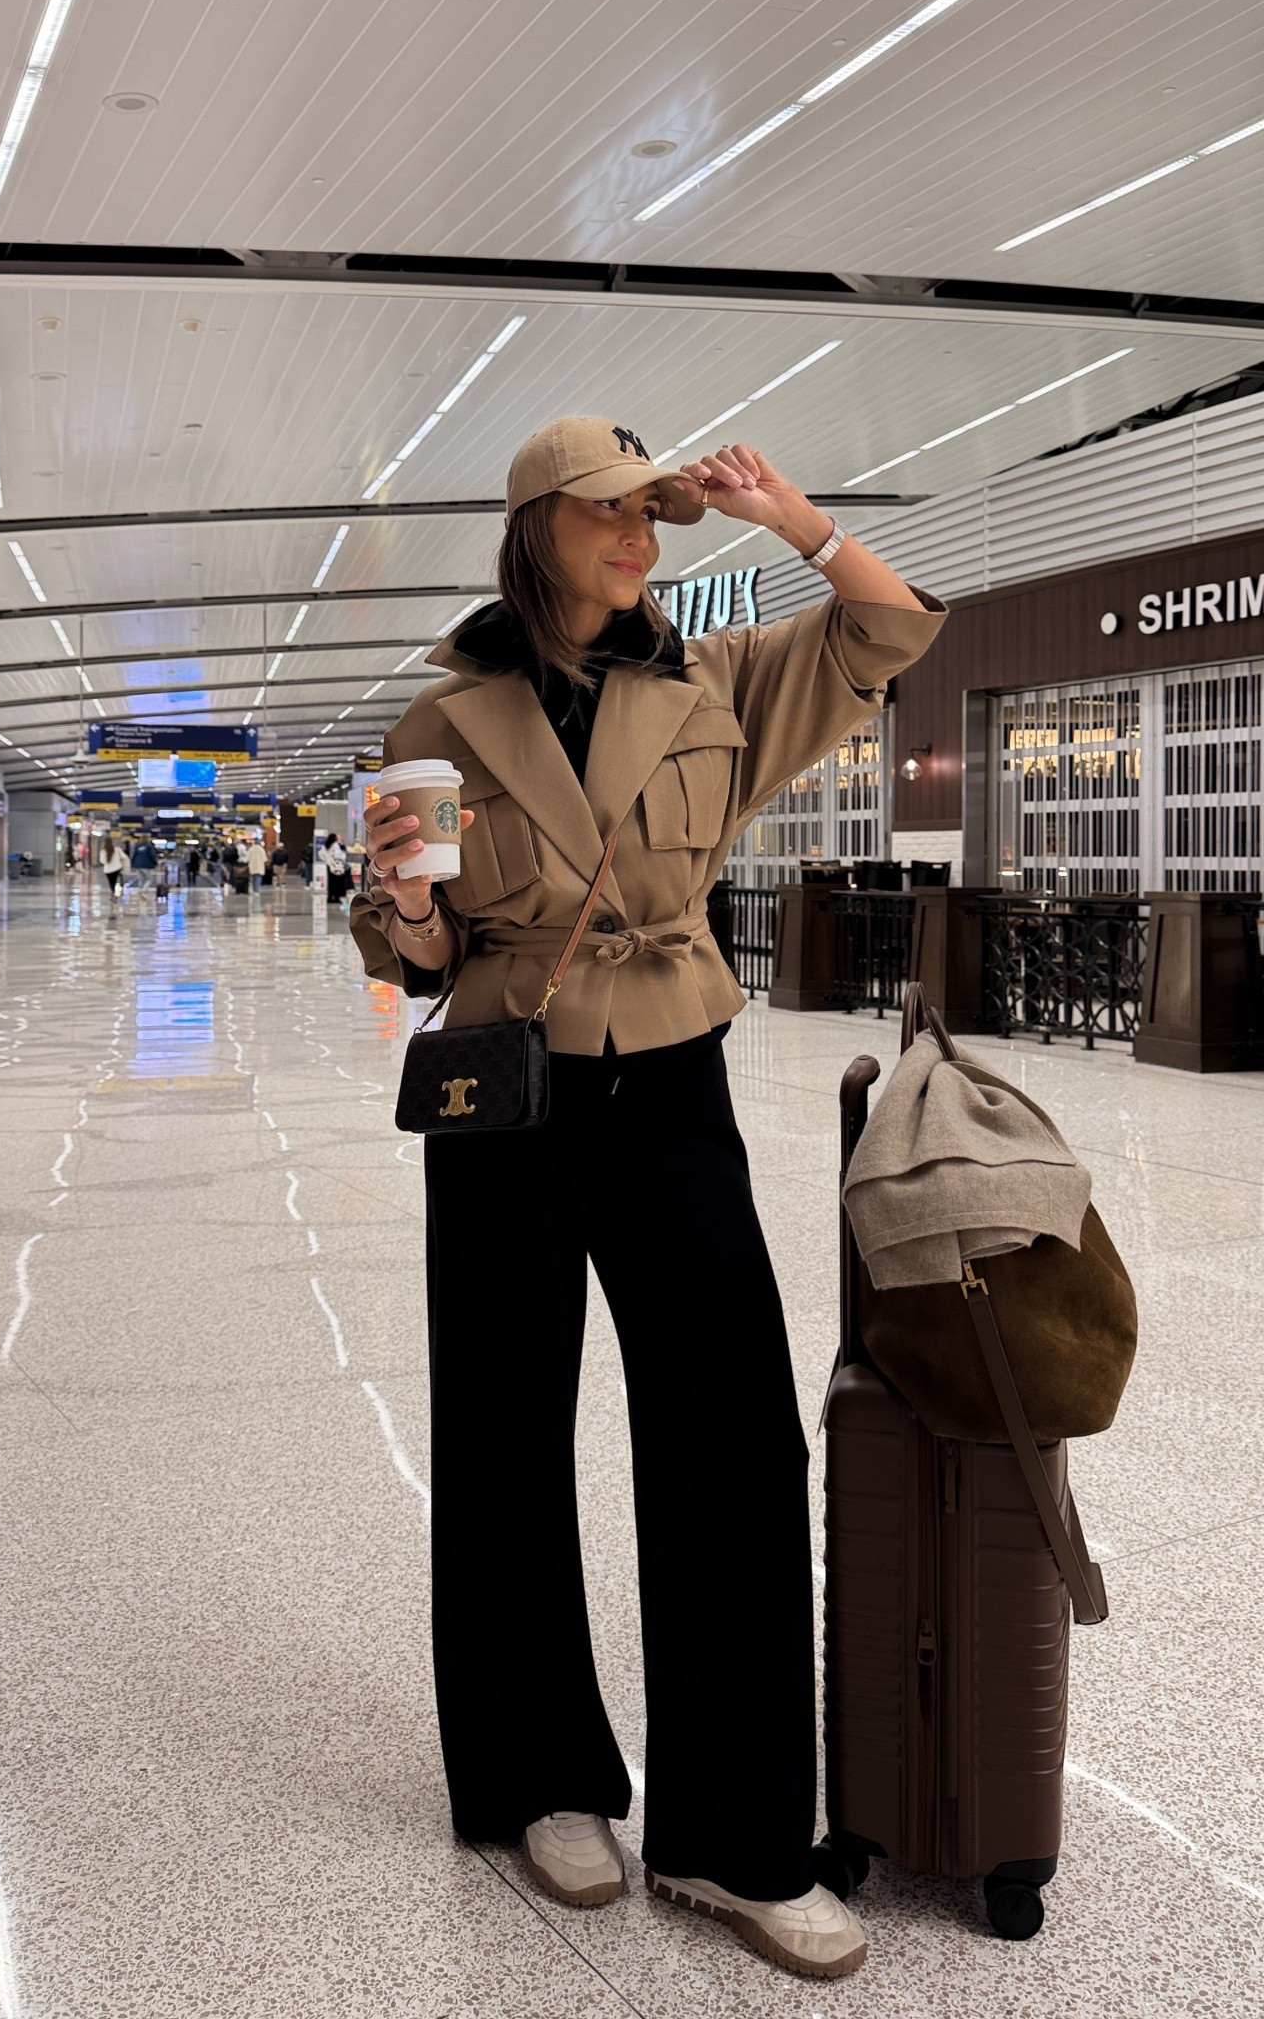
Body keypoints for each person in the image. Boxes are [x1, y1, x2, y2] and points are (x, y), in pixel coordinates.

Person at [349, 420, 945, 1980]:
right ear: (535, 525)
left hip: (670, 1068)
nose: (640, 538)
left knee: (732, 1428)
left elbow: (887, 626)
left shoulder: (720, 680)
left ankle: (735, 1836)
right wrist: (405, 908)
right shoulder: (446, 709)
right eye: (609, 514)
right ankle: (537, 1778)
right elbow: (409, 950)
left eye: (651, 514)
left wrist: (789, 513)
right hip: (504, 1082)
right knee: (500, 1420)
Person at [323, 832, 349, 905]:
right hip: (336, 867)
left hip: (330, 866)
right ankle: (336, 897)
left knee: (331, 883)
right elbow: (340, 855)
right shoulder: (335, 845)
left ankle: (330, 897)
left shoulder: (327, 845)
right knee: (337, 883)